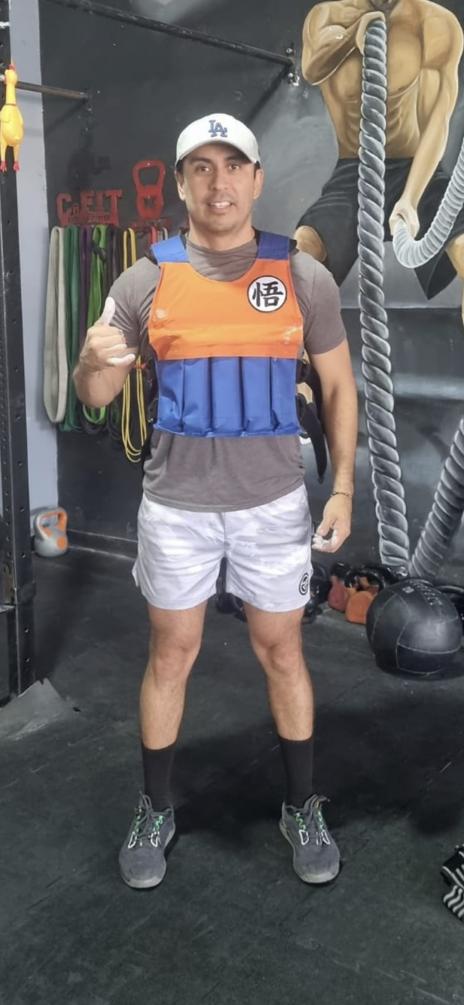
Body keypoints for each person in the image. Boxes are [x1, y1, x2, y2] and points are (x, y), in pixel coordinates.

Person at [73, 112, 358, 890]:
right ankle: (155, 806)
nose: (219, 181)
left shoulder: (302, 276)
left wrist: (342, 486)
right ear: (181, 182)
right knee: (171, 652)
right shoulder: (143, 280)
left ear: (257, 180)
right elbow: (96, 393)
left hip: (272, 505)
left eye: (234, 165)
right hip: (177, 507)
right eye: (202, 166)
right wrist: (90, 362)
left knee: (282, 650)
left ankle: (300, 804)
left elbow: (339, 386)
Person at [295, 0, 464, 315]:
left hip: (418, 172)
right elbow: (312, 70)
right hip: (353, 174)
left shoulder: (433, 22)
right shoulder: (327, 17)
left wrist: (410, 199)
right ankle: (292, 343)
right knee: (303, 250)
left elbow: (437, 120)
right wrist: (354, 35)